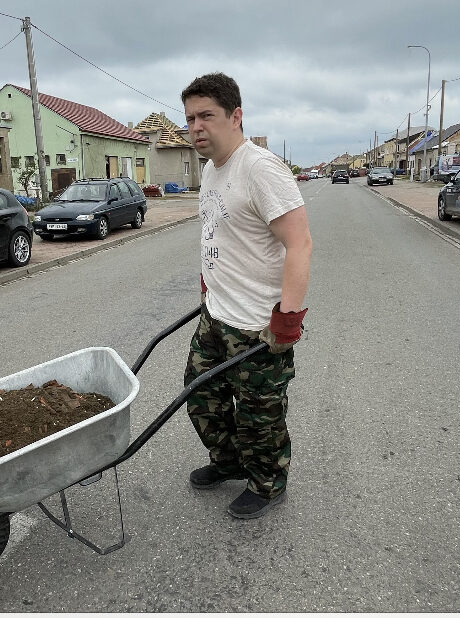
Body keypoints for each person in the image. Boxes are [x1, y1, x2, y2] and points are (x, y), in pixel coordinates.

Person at [181, 73, 312, 519]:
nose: (196, 127)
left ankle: (268, 482)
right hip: (216, 315)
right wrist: (208, 282)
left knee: (260, 417)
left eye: (206, 116)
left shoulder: (260, 169)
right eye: (190, 118)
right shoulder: (210, 171)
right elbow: (218, 232)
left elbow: (300, 243)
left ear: (235, 116)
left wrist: (287, 320)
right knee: (202, 399)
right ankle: (229, 462)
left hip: (257, 325)